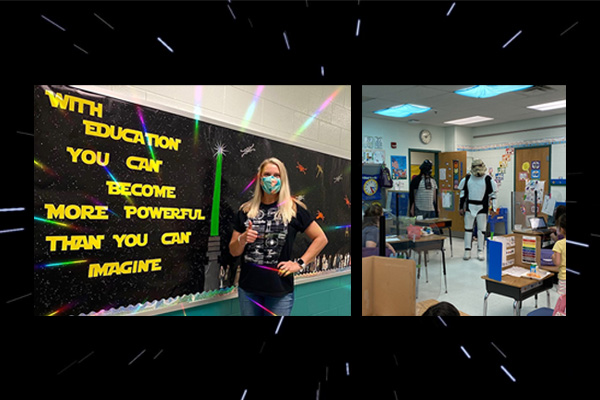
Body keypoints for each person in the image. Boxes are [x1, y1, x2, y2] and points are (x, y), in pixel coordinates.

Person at [229, 157, 328, 316]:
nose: (272, 179)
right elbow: (233, 251)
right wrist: (242, 239)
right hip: (248, 290)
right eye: (267, 174)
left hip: (279, 291)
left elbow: (321, 238)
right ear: (260, 178)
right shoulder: (246, 210)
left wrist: (299, 264)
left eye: (277, 175)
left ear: (283, 179)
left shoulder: (294, 209)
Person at [458, 159, 498, 261]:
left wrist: (493, 208)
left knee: (481, 230)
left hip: (482, 208)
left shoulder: (488, 179)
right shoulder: (467, 179)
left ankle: (480, 250)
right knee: (468, 229)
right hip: (470, 207)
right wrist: (461, 207)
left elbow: (493, 195)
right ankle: (467, 250)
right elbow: (462, 194)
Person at [552, 213, 566, 296]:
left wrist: (553, 257)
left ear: (561, 229)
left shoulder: (559, 244)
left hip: (564, 277)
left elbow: (557, 262)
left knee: (563, 301)